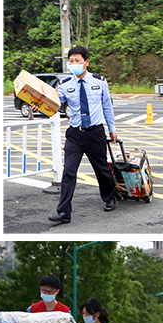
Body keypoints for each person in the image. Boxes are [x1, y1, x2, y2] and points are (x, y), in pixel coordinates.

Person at [49, 45, 118, 223]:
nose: (73, 64)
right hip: (75, 134)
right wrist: (40, 105)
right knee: (69, 172)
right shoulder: (64, 85)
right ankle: (64, 211)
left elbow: (107, 107)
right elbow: (54, 104)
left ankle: (110, 197)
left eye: (77, 60)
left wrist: (112, 129)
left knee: (101, 169)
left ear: (86, 62)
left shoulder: (99, 81)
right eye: (70, 61)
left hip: (95, 132)